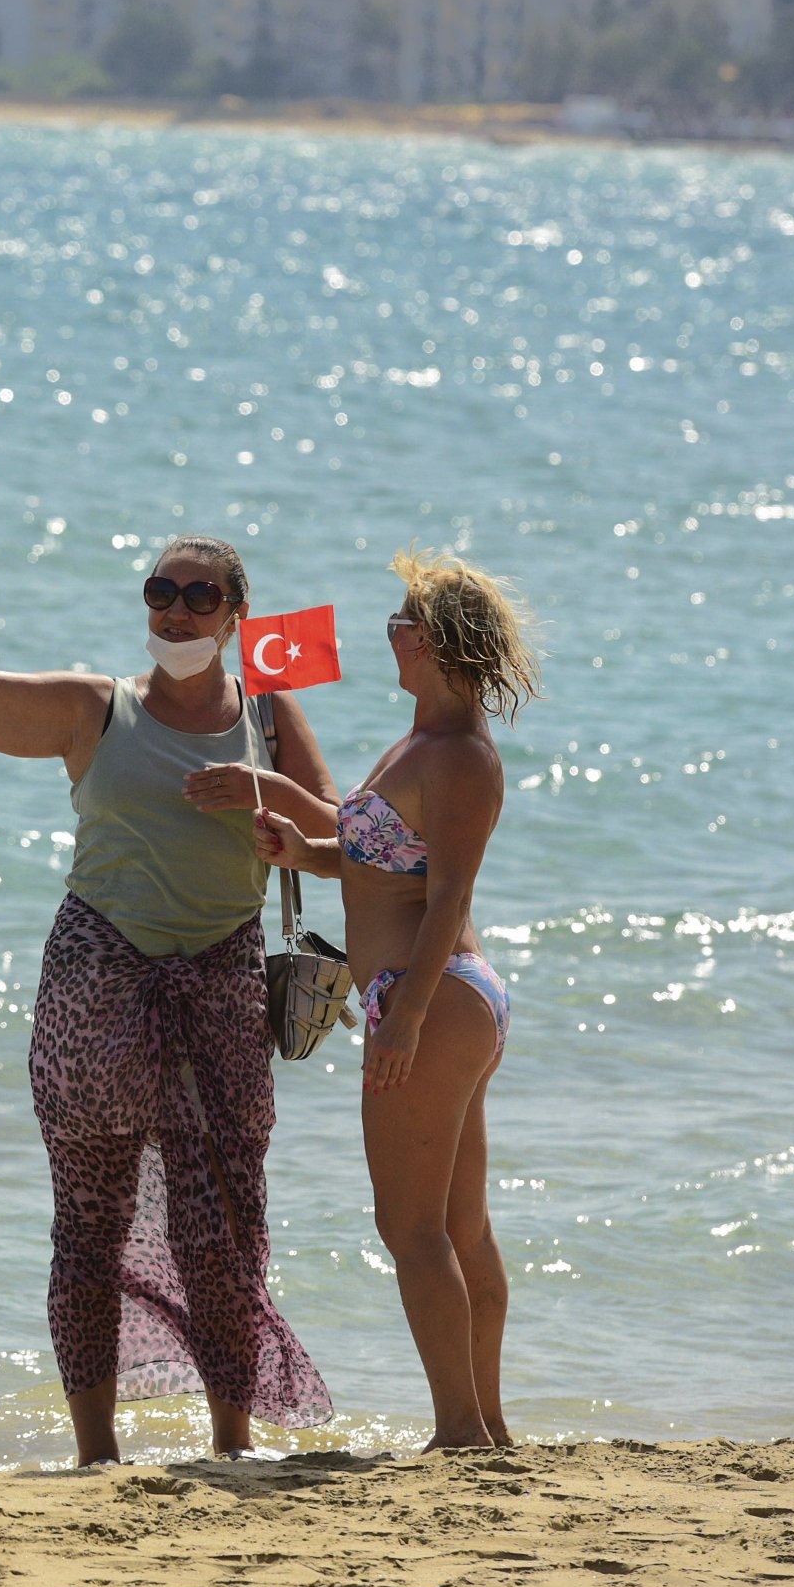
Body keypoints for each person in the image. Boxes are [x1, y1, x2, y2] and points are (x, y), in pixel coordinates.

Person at [0, 487, 336, 1459]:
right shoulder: (95, 708)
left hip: (223, 984)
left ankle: (232, 1443)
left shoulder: (272, 718)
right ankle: (95, 1451)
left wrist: (267, 796)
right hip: (98, 982)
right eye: (161, 589)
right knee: (89, 1226)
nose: (176, 609)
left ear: (236, 614)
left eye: (200, 596)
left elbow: (344, 839)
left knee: (226, 1226)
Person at [253, 548, 541, 1450]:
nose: (390, 635)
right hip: (445, 994)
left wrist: (403, 1017)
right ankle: (486, 1426)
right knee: (459, 1224)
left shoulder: (458, 757)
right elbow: (385, 861)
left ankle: (458, 1428)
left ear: (437, 645)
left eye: (401, 624)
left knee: (411, 1228)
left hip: (431, 994)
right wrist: (306, 853)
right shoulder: (419, 741)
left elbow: (450, 891)